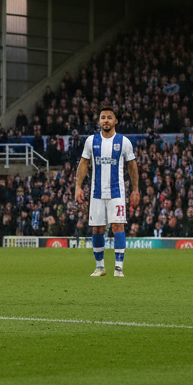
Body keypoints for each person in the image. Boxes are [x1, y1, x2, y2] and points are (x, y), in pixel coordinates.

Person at [73, 107, 140, 278]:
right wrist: (78, 186)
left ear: (115, 121)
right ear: (99, 121)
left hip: (116, 193)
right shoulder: (91, 141)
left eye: (110, 117)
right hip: (96, 193)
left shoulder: (123, 142)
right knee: (97, 229)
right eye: (103, 117)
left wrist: (135, 190)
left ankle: (118, 268)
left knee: (118, 226)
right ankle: (100, 267)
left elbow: (132, 166)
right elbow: (83, 164)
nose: (106, 120)